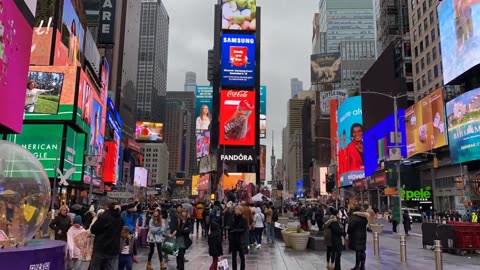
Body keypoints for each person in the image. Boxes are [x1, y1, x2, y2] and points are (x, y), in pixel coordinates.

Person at [90, 200, 124, 270]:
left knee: (95, 267)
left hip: (100, 248)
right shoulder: (120, 219)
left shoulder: (104, 217)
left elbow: (93, 230)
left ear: (107, 207)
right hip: (113, 249)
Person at [229, 206, 248, 270]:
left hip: (240, 239)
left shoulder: (243, 218)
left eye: (237, 209)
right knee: (233, 256)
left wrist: (236, 230)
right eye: (235, 209)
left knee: (242, 256)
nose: (235, 210)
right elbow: (231, 225)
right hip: (234, 239)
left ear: (241, 210)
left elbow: (245, 228)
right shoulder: (233, 217)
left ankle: (242, 268)